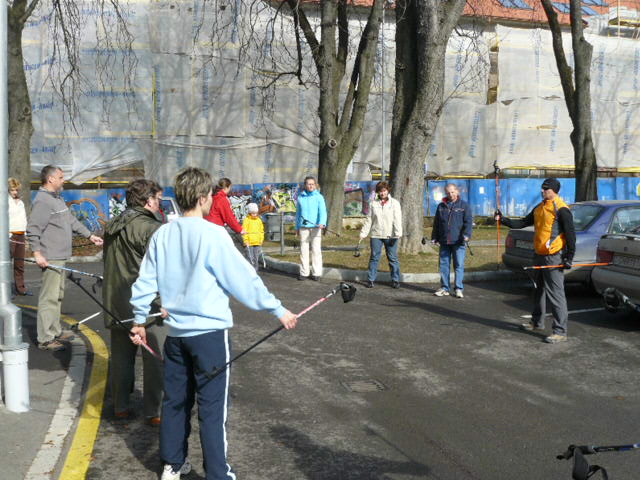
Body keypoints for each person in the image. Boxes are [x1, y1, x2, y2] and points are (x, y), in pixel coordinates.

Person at [129, 167, 297, 480]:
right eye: (209, 195)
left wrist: (140, 320)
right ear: (203, 198)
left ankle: (172, 464)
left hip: (175, 336)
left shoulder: (162, 233)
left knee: (175, 401)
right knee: (212, 407)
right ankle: (218, 474)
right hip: (209, 337)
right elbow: (243, 279)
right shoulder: (214, 234)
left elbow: (145, 281)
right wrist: (278, 309)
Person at [103, 179, 166, 424]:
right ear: (148, 200)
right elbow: (162, 269)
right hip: (147, 303)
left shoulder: (112, 225)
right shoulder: (152, 228)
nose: (160, 203)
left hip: (116, 299)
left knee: (121, 358)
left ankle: (120, 406)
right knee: (155, 358)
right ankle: (155, 411)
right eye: (158, 199)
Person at [27, 165, 103, 351]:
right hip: (51, 257)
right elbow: (33, 229)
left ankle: (55, 331)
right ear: (50, 179)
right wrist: (37, 253)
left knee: (58, 295)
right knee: (49, 298)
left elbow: (71, 220)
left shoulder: (57, 198)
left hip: (60, 256)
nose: (64, 180)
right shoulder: (43, 201)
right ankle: (45, 338)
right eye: (61, 177)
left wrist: (89, 235)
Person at [495, 177, 576, 344]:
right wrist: (503, 219)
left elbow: (571, 235)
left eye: (546, 188)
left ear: (554, 191)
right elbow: (523, 222)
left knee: (556, 294)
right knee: (538, 290)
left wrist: (569, 257)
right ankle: (537, 322)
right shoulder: (539, 207)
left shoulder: (562, 209)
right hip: (538, 254)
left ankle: (560, 331)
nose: (542, 191)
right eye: (542, 188)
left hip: (553, 256)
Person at [431, 183, 473, 299]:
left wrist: (466, 235)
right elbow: (437, 223)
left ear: (457, 191)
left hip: (458, 241)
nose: (450, 194)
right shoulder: (441, 206)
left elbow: (468, 222)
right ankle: (445, 288)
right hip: (444, 241)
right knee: (444, 265)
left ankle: (458, 288)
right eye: (448, 192)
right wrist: (434, 237)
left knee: (458, 265)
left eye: (453, 192)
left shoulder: (464, 206)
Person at [359, 181, 403, 289]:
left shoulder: (395, 203)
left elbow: (397, 219)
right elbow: (369, 219)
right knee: (374, 257)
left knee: (392, 258)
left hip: (391, 235)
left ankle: (395, 280)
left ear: (388, 191)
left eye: (384, 191)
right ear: (378, 192)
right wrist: (363, 233)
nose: (382, 193)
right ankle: (371, 280)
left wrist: (398, 233)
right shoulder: (373, 203)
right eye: (380, 191)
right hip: (376, 235)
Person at [295, 176, 327, 281]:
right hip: (303, 227)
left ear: (315, 185)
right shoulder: (300, 197)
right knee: (303, 250)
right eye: (309, 184)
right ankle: (304, 272)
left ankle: (316, 273)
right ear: (305, 185)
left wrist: (322, 222)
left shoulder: (319, 197)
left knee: (316, 250)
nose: (311, 186)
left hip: (316, 227)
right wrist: (297, 227)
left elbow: (323, 212)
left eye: (312, 184)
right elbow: (298, 213)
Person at [8, 177, 31, 296]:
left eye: (16, 190)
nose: (15, 192)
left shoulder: (21, 203)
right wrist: (8, 235)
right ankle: (5, 291)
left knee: (20, 264)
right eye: (13, 190)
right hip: (10, 236)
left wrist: (25, 236)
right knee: (6, 264)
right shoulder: (5, 202)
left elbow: (23, 219)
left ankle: (21, 288)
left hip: (21, 235)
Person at [242, 202, 264, 271]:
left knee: (256, 257)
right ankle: (249, 270)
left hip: (257, 242)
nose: (254, 214)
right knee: (249, 257)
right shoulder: (246, 220)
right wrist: (246, 240)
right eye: (252, 213)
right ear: (249, 212)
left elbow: (261, 231)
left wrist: (261, 239)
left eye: (255, 213)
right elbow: (244, 231)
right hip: (249, 242)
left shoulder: (259, 220)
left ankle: (255, 269)